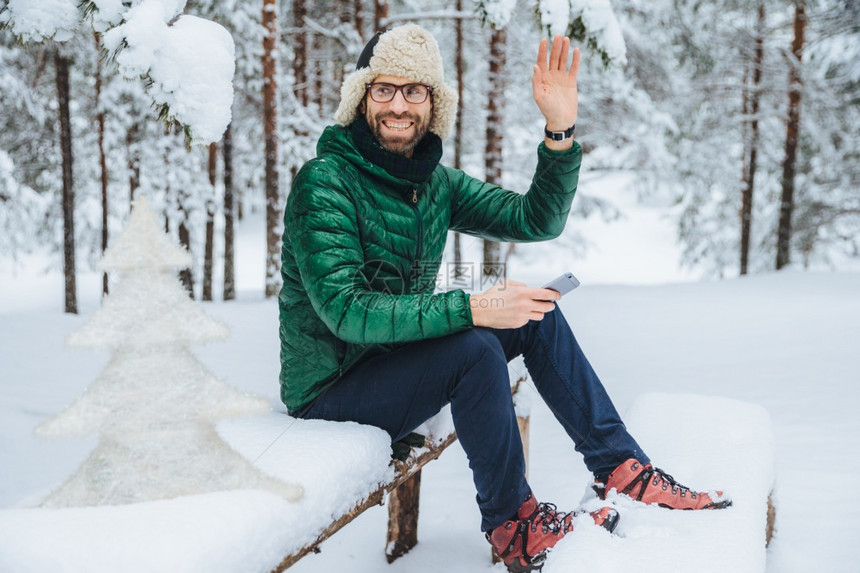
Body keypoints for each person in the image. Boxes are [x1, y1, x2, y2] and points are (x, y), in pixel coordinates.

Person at [278, 24, 731, 572]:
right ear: (361, 98)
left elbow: (534, 218)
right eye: (383, 90)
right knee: (473, 351)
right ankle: (512, 526)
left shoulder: (433, 183)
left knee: (536, 313)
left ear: (433, 104)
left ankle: (622, 468)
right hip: (331, 397)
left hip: (394, 367)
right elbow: (347, 312)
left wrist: (559, 130)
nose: (399, 105)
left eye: (414, 91)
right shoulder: (324, 183)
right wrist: (472, 308)